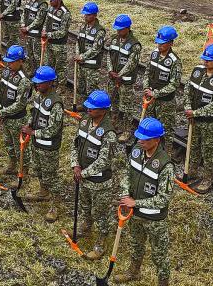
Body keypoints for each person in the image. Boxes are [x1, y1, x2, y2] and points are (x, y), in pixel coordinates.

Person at [115, 117, 175, 286]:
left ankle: (163, 282)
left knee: (159, 254)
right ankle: (133, 272)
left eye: (145, 138)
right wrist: (125, 194)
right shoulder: (136, 151)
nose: (140, 140)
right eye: (139, 136)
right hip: (134, 214)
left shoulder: (165, 166)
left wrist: (136, 203)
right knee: (136, 245)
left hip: (154, 219)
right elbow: (127, 174)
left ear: (156, 140)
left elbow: (163, 199)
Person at [69, 90, 118, 260]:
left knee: (101, 214)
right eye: (88, 107)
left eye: (93, 108)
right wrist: (75, 165)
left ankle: (101, 242)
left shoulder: (108, 133)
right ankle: (85, 227)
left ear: (103, 110)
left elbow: (104, 161)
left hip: (99, 182)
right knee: (85, 206)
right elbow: (75, 144)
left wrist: (84, 173)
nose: (88, 110)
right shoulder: (84, 122)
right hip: (82, 178)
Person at [183, 44, 213, 193]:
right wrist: (188, 108)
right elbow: (187, 90)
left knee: (207, 150)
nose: (205, 62)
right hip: (195, 118)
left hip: (211, 122)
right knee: (194, 146)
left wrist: (194, 113)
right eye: (204, 59)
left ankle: (207, 178)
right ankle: (192, 170)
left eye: (209, 60)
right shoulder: (197, 71)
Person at [21, 65, 64, 222]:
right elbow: (34, 114)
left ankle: (55, 206)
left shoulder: (56, 104)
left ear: (50, 83)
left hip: (49, 147)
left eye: (40, 82)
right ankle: (43, 191)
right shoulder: (38, 96)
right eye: (36, 82)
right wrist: (29, 125)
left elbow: (53, 129)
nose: (37, 85)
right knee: (38, 170)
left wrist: (34, 133)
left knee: (51, 177)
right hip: (36, 143)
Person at [0, 45, 32, 185]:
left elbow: (20, 104)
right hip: (4, 117)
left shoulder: (24, 81)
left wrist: (1, 112)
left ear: (21, 61)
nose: (8, 64)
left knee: (19, 147)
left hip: (17, 119)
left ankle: (24, 171)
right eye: (8, 61)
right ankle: (12, 164)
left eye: (12, 61)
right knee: (8, 143)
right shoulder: (6, 72)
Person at [143, 26, 182, 157]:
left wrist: (156, 94)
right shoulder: (154, 54)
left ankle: (167, 155)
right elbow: (147, 71)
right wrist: (146, 87)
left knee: (167, 131)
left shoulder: (175, 61)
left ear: (171, 43)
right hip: (151, 99)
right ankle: (152, 150)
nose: (159, 46)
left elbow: (174, 84)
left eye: (163, 43)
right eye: (158, 43)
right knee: (150, 126)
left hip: (165, 103)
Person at [107, 14, 142, 142]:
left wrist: (119, 75)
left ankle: (127, 131)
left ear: (128, 28)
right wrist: (110, 70)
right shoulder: (114, 39)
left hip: (125, 82)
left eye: (121, 29)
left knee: (126, 108)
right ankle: (113, 124)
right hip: (112, 79)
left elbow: (131, 64)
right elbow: (109, 56)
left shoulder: (135, 45)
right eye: (117, 29)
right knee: (113, 104)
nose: (118, 31)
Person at [75, 2, 107, 108]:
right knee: (82, 87)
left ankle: (92, 108)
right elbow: (78, 42)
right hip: (81, 64)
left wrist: (82, 57)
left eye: (88, 15)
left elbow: (96, 49)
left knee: (91, 89)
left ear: (94, 15)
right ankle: (84, 106)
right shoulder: (83, 27)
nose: (85, 16)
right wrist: (77, 55)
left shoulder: (100, 31)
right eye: (85, 14)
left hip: (91, 66)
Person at [41, 0, 70, 81]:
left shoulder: (65, 13)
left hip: (59, 45)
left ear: (59, 0)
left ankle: (61, 86)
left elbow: (62, 32)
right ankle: (49, 82)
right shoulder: (50, 9)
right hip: (49, 43)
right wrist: (44, 31)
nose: (50, 1)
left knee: (60, 68)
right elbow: (46, 22)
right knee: (48, 65)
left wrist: (48, 35)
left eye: (52, 0)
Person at [21, 0, 48, 75]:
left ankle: (39, 73)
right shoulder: (28, 0)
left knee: (37, 56)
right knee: (29, 54)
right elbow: (24, 13)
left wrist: (27, 28)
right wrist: (23, 25)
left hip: (36, 35)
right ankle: (31, 70)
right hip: (27, 33)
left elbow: (39, 20)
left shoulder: (42, 4)